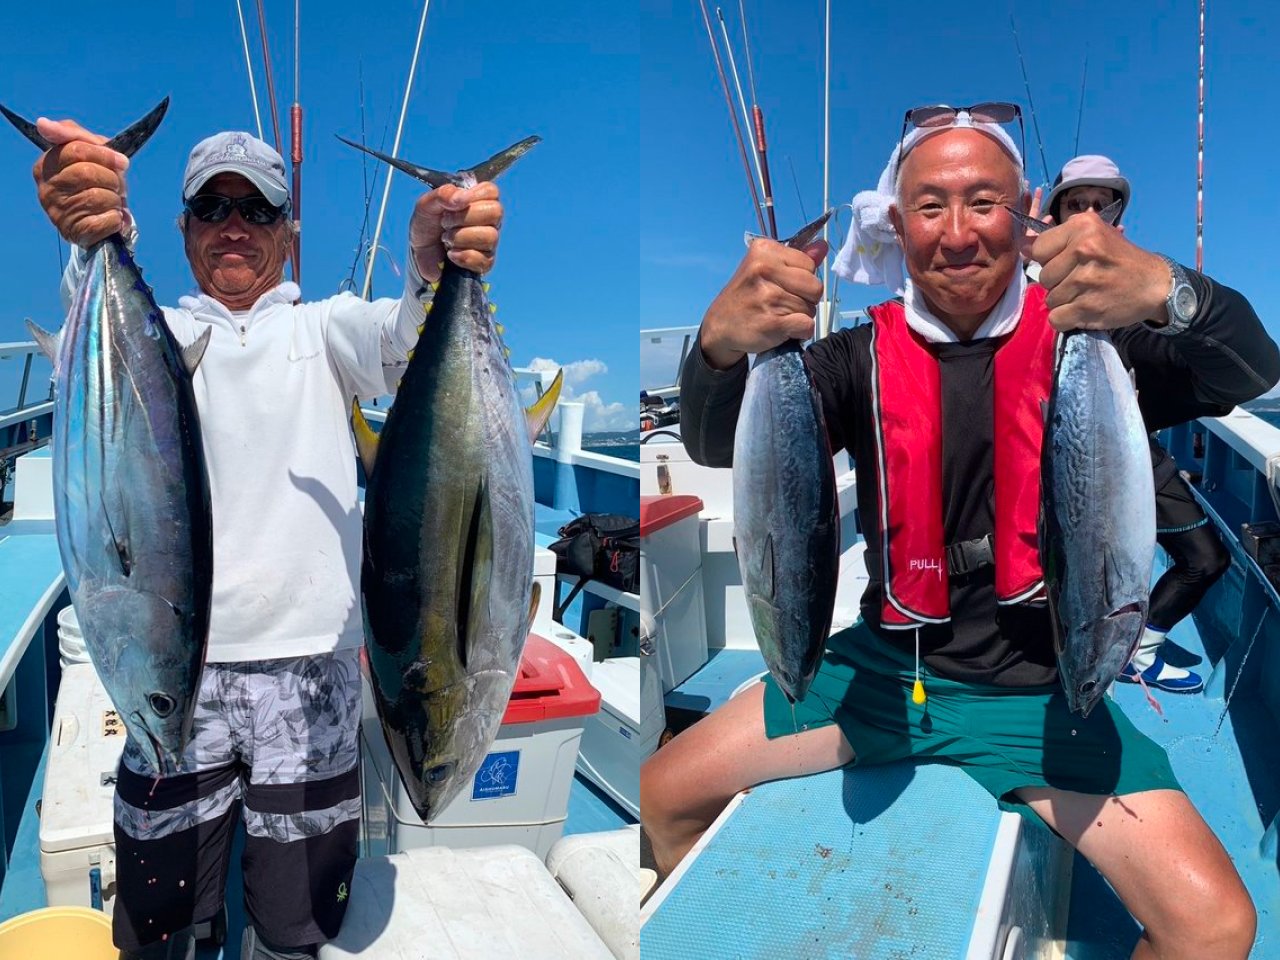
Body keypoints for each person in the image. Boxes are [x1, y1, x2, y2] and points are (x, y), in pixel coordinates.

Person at [641, 104, 1278, 959]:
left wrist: (1172, 290)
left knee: (1215, 928)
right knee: (664, 793)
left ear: (1027, 214)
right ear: (897, 227)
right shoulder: (850, 360)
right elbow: (716, 441)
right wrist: (717, 348)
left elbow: (1248, 368)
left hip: (1047, 694)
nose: (957, 231)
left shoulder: (1096, 345)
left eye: (984, 202)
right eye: (930, 206)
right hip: (882, 677)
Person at [33, 117, 504, 960]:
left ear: (289, 231)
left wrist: (432, 265)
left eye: (257, 209)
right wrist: (91, 234)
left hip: (311, 674)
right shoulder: (160, 336)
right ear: (180, 231)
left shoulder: (324, 330)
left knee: (296, 924)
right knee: (160, 919)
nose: (234, 226)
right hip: (173, 670)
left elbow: (402, 343)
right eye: (211, 208)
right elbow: (92, 335)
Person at [1045, 154, 1228, 694]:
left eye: (1101, 206)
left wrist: (1161, 294)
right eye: (1076, 204)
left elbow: (1246, 369)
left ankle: (1136, 645)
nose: (1088, 215)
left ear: (1118, 223)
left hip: (1130, 452)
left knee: (1207, 559)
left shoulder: (1138, 303)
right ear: (1053, 218)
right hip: (1062, 461)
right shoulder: (1029, 300)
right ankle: (1126, 645)